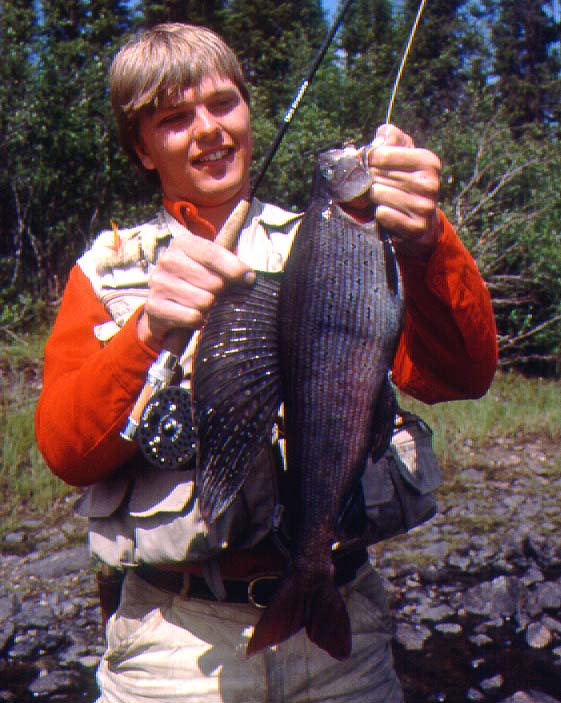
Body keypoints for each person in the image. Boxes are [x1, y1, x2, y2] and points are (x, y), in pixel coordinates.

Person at [35, 22, 498, 703]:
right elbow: (64, 449)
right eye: (173, 118)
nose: (208, 130)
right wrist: (146, 333)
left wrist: (428, 242)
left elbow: (459, 374)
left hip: (342, 636)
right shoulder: (104, 273)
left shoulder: (335, 242)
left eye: (223, 103)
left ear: (249, 111)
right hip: (172, 642)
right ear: (142, 148)